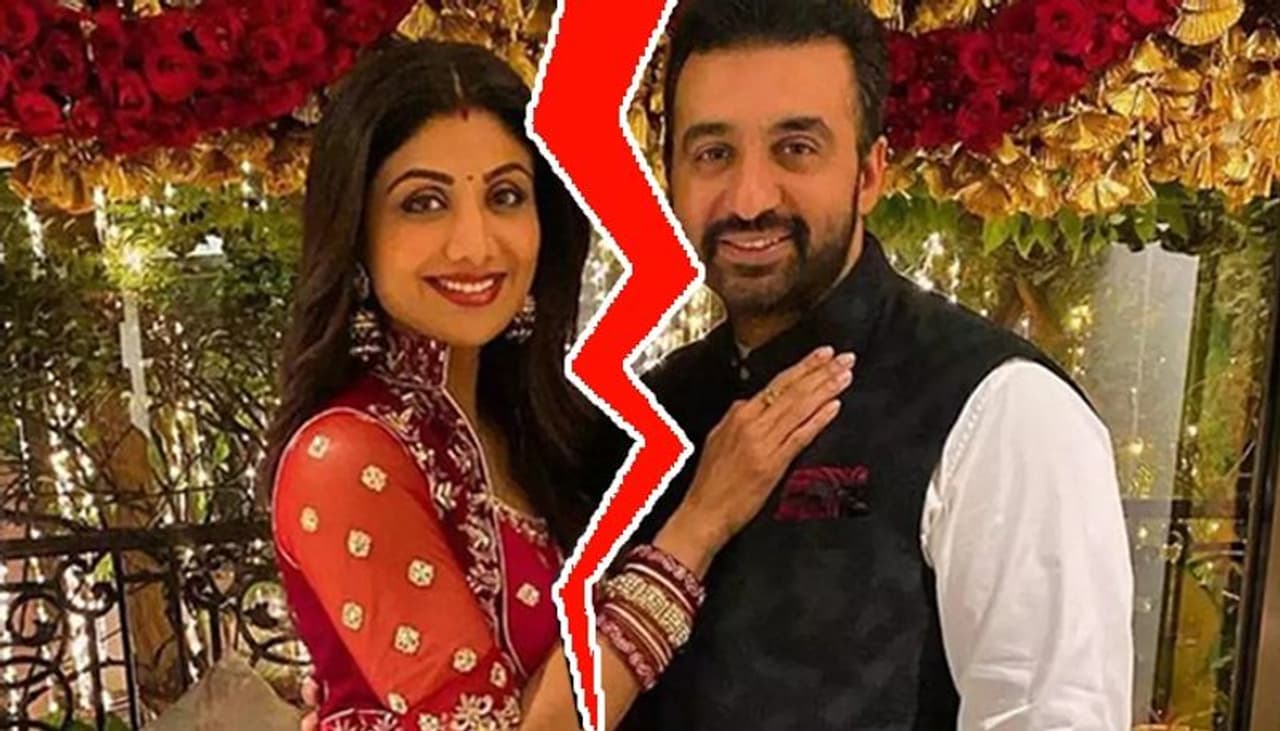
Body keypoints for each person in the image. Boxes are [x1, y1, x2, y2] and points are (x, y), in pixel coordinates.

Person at [266, 38, 854, 731]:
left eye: (505, 196)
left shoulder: (535, 429)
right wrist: (699, 524)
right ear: (356, 232)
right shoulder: (345, 456)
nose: (474, 244)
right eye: (423, 202)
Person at [615, 0, 1135, 729]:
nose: (749, 198)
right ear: (669, 173)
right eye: (713, 153)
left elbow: (1050, 714)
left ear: (868, 173)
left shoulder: (1001, 407)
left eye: (796, 148)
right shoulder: (651, 408)